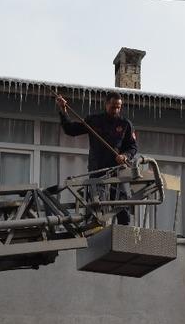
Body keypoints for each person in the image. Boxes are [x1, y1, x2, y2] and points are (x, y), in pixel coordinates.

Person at [55, 91, 138, 225]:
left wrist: (125, 156)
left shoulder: (125, 124)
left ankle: (124, 235)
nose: (116, 110)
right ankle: (94, 233)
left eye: (118, 107)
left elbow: (133, 147)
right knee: (95, 209)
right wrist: (63, 110)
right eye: (113, 107)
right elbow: (70, 130)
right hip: (97, 172)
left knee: (123, 208)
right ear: (106, 104)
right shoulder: (94, 121)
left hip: (117, 172)